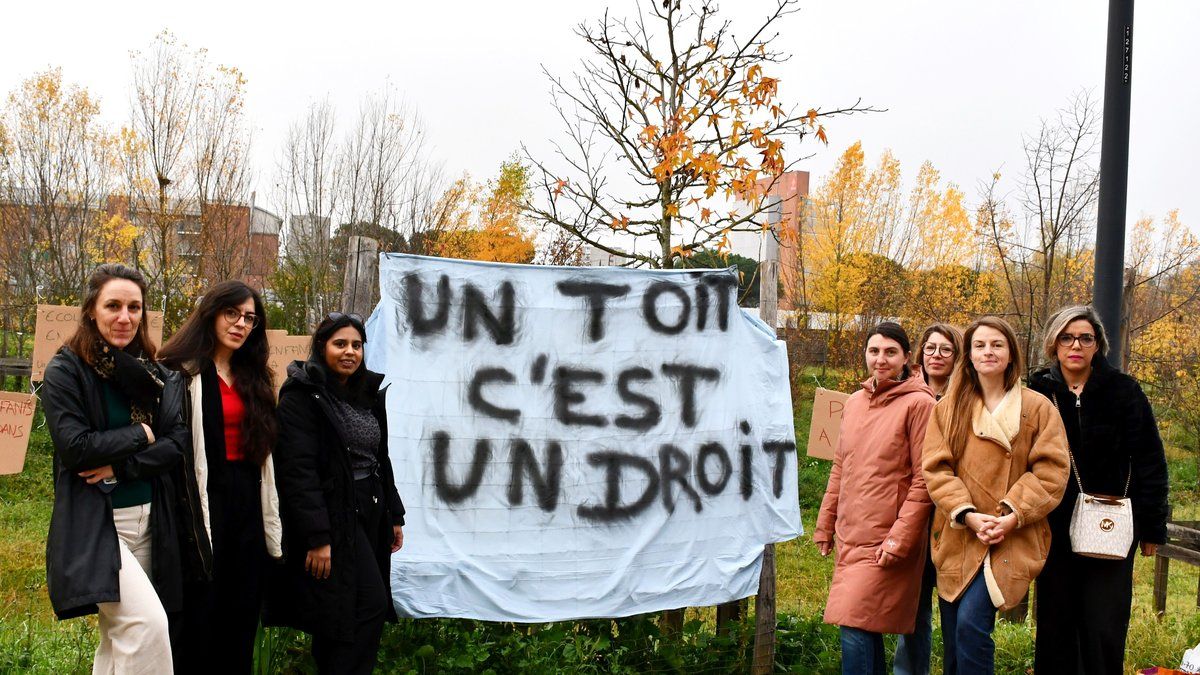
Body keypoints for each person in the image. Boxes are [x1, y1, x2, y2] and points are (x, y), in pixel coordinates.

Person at [40, 263, 190, 674]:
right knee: (146, 626)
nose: (125, 317)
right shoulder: (66, 369)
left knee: (119, 635)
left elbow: (176, 444)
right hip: (98, 522)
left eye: (134, 307)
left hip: (150, 518)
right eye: (113, 306)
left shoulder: (155, 374)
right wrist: (142, 434)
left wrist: (120, 468)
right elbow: (75, 447)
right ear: (92, 309)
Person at [922, 316, 1069, 674]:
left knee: (972, 626)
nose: (988, 352)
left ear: (1010, 353)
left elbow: (1052, 471)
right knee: (955, 635)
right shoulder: (948, 408)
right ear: (968, 355)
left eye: (997, 345)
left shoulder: (1037, 408)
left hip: (1011, 536)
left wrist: (1011, 515)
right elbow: (936, 469)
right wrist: (968, 514)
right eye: (980, 345)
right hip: (959, 534)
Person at [1027, 305, 1169, 674]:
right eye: (1067, 337)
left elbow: (1150, 460)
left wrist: (1153, 527)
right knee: (1056, 623)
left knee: (1103, 624)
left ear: (1097, 345)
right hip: (1053, 525)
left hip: (1110, 524)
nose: (1076, 345)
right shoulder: (1038, 390)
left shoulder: (1123, 391)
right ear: (1053, 344)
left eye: (1085, 338)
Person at [265, 312, 406, 674]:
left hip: (370, 507)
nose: (350, 352)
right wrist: (317, 537)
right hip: (332, 514)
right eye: (340, 344)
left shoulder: (366, 394)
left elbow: (380, 456)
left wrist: (394, 514)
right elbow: (297, 470)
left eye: (356, 345)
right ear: (321, 347)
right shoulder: (302, 395)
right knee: (362, 605)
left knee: (351, 609)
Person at [157, 280, 282, 673]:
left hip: (246, 501)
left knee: (240, 613)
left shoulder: (255, 377)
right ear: (211, 313)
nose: (241, 324)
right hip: (198, 502)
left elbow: (265, 454)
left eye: (250, 318)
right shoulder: (179, 371)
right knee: (200, 615)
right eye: (233, 314)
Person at [813, 322, 936, 674]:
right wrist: (825, 523)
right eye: (874, 351)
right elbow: (841, 467)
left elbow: (923, 479)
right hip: (851, 534)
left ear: (907, 358)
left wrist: (900, 537)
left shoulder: (919, 404)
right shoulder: (854, 402)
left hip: (886, 538)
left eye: (890, 352)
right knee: (859, 625)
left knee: (854, 623)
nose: (881, 359)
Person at [894, 322, 964, 675]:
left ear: (957, 357)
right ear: (920, 353)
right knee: (913, 608)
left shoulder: (967, 398)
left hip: (954, 517)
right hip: (911, 513)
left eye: (946, 349)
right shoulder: (903, 393)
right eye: (931, 348)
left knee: (956, 608)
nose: (937, 355)